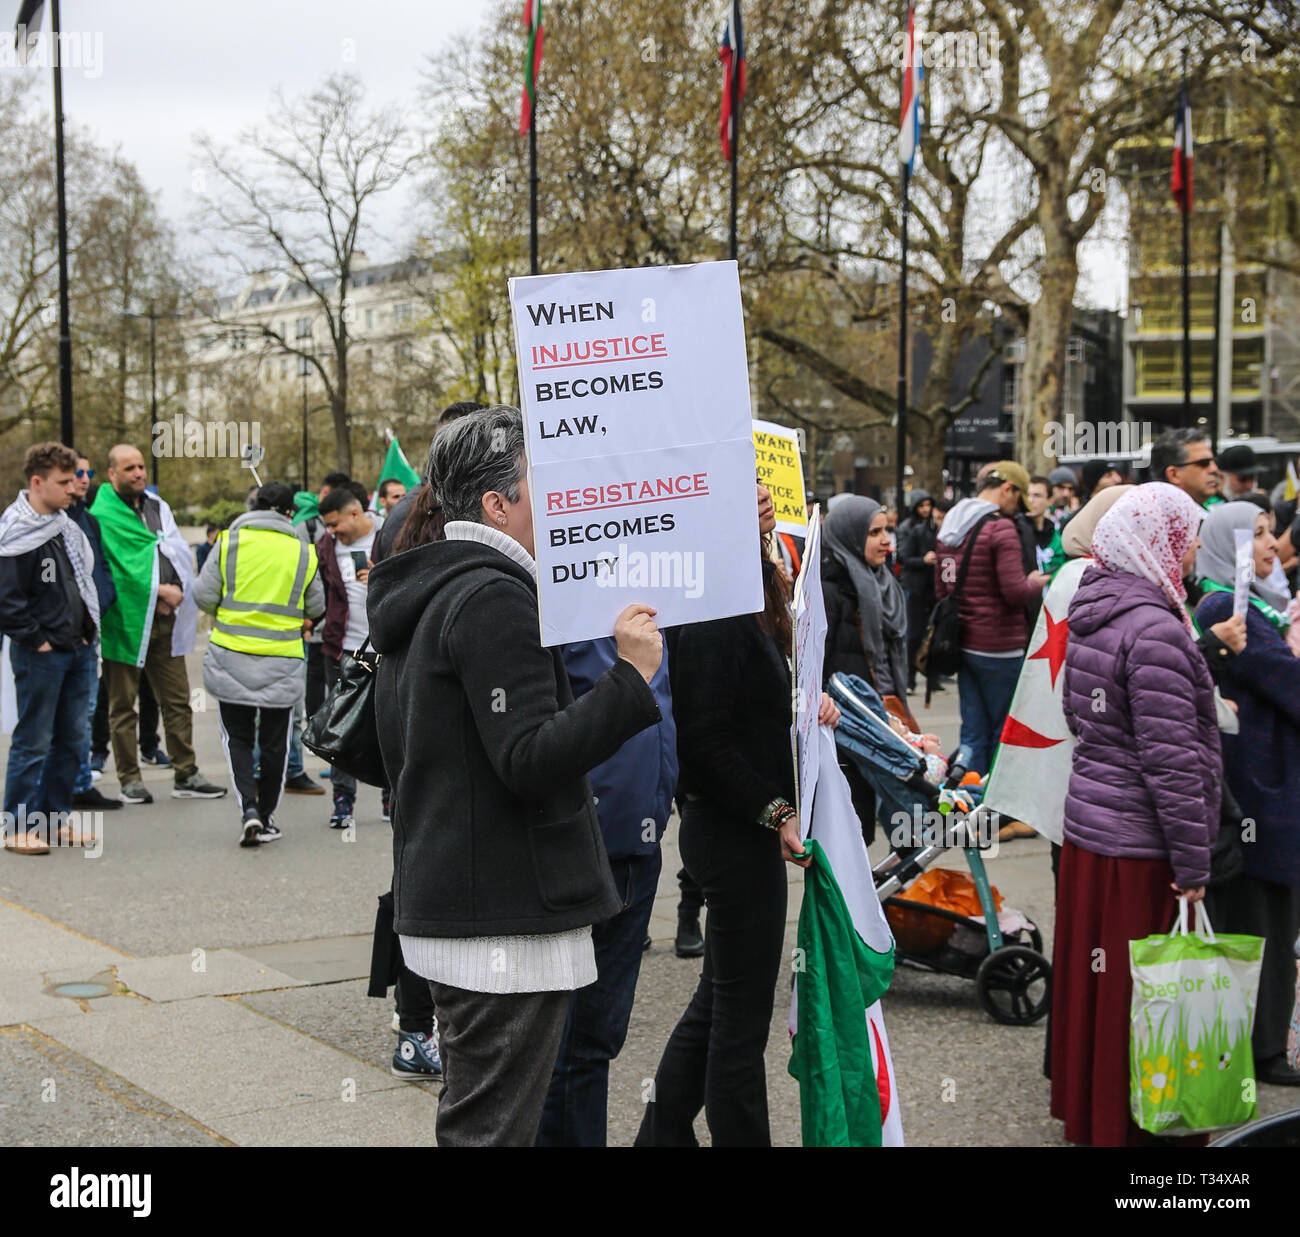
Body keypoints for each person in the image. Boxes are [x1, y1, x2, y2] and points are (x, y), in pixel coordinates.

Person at [367, 406, 665, 1147]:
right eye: (543, 483)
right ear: (498, 504)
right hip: (497, 919)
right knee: (493, 1133)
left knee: (485, 1124)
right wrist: (631, 680)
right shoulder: (494, 594)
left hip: (465, 906)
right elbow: (528, 756)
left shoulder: (442, 583)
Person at [637, 480, 839, 1147]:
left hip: (739, 832)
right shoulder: (714, 606)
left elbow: (754, 709)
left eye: (764, 497)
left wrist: (807, 709)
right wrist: (776, 809)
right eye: (746, 498)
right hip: (729, 832)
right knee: (740, 1022)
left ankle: (661, 1133)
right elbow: (703, 738)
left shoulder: (747, 590)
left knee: (719, 1000)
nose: (766, 505)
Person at [1051, 484, 1220, 1146]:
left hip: (1094, 833)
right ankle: (1141, 1131)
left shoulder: (1095, 609)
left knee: (1104, 994)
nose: (1196, 545)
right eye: (1187, 532)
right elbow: (1172, 763)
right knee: (1141, 994)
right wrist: (1194, 864)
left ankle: (1100, 1119)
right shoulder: (1154, 629)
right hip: (1142, 846)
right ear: (1156, 541)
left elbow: (1080, 720)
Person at [537, 628, 678, 1146]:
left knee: (595, 1039)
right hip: (582, 850)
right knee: (570, 1045)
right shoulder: (558, 598)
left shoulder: (648, 601)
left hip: (640, 844)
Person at [1194, 502, 1300, 1086]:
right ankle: (1262, 1051)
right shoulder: (1225, 606)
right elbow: (1289, 683)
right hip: (1261, 789)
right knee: (1264, 919)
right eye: (1254, 534)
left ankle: (1257, 1043)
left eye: (1268, 531)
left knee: (1266, 916)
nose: (1269, 542)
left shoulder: (1251, 605)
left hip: (1264, 783)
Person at [192, 483, 325, 848]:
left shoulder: (226, 544)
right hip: (281, 660)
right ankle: (266, 817)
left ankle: (248, 809)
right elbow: (316, 607)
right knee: (275, 743)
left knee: (237, 738)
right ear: (288, 514)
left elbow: (202, 595)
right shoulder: (303, 553)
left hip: (230, 656)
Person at [91, 445, 226, 804]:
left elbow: (174, 550)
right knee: (123, 704)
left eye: (141, 467)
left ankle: (186, 773)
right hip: (127, 623)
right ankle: (129, 778)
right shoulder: (102, 513)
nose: (138, 473)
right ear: (112, 474)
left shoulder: (156, 507)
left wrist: (177, 591)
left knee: (178, 700)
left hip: (166, 620)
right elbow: (115, 570)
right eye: (129, 468)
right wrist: (158, 590)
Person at [0, 444, 101, 855]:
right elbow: (7, 598)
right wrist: (37, 640)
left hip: (77, 648)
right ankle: (16, 826)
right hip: (42, 653)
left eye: (74, 479)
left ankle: (54, 819)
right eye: (63, 482)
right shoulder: (15, 531)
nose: (73, 488)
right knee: (33, 739)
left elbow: (82, 583)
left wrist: (86, 632)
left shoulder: (64, 526)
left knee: (73, 739)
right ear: (37, 482)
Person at [933, 462, 1049, 774]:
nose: (1017, 510)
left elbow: (942, 587)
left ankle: (967, 796)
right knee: (1003, 729)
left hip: (962, 643)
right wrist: (1036, 583)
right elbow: (1014, 591)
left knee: (972, 730)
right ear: (1008, 488)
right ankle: (997, 801)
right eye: (1017, 500)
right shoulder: (1001, 528)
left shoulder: (952, 525)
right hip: (1000, 645)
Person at [316, 486, 377, 830]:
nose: (332, 531)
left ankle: (391, 797)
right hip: (342, 650)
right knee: (340, 727)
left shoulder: (389, 535)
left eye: (336, 524)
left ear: (355, 513)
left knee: (388, 725)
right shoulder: (325, 546)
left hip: (385, 647)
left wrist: (381, 577)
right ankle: (343, 802)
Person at [66, 454, 121, 813]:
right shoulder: (46, 523)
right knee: (48, 725)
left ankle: (81, 783)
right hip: (56, 640)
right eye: (78, 473)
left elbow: (99, 568)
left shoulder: (89, 521)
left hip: (89, 634)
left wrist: (100, 605)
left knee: (83, 712)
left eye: (89, 472)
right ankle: (43, 799)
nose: (85, 479)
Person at [897, 489, 936, 690]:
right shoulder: (907, 528)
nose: (926, 510)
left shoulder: (931, 527)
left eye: (928, 505)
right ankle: (909, 677)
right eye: (922, 506)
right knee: (912, 635)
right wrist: (923, 560)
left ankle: (932, 677)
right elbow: (903, 557)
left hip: (930, 587)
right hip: (914, 586)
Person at [1148, 427, 1222, 508]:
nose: (1214, 469)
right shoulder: (1158, 517)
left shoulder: (1214, 509)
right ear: (1174, 474)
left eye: (1214, 461)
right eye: (1203, 463)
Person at [1026, 476, 1065, 577]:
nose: (1030, 500)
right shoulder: (1016, 532)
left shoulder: (1056, 538)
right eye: (1027, 495)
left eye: (1037, 496)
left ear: (1050, 501)